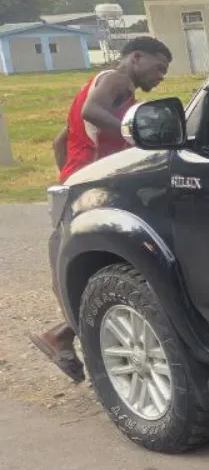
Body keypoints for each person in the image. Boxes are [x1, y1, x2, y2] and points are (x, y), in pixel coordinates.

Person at [29, 36, 172, 381]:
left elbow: (61, 140)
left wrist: (68, 178)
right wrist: (136, 134)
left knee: (100, 264)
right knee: (96, 262)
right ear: (136, 58)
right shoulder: (116, 80)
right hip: (91, 184)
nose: (161, 77)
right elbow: (90, 112)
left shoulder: (108, 86)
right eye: (159, 68)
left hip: (81, 181)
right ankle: (63, 337)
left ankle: (62, 336)